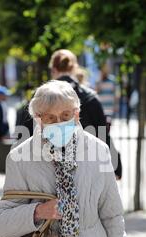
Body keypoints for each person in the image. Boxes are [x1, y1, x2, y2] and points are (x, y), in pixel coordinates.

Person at [0, 80, 137, 237]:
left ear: (77, 114)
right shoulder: (20, 157)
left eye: (66, 115)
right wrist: (38, 212)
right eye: (51, 117)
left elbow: (113, 220)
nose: (59, 122)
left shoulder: (99, 151)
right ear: (38, 119)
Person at [48, 49, 122, 179]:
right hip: (86, 170)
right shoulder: (89, 97)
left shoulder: (40, 99)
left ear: (53, 69)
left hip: (49, 171)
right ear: (74, 69)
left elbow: (28, 135)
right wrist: (116, 167)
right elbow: (103, 134)